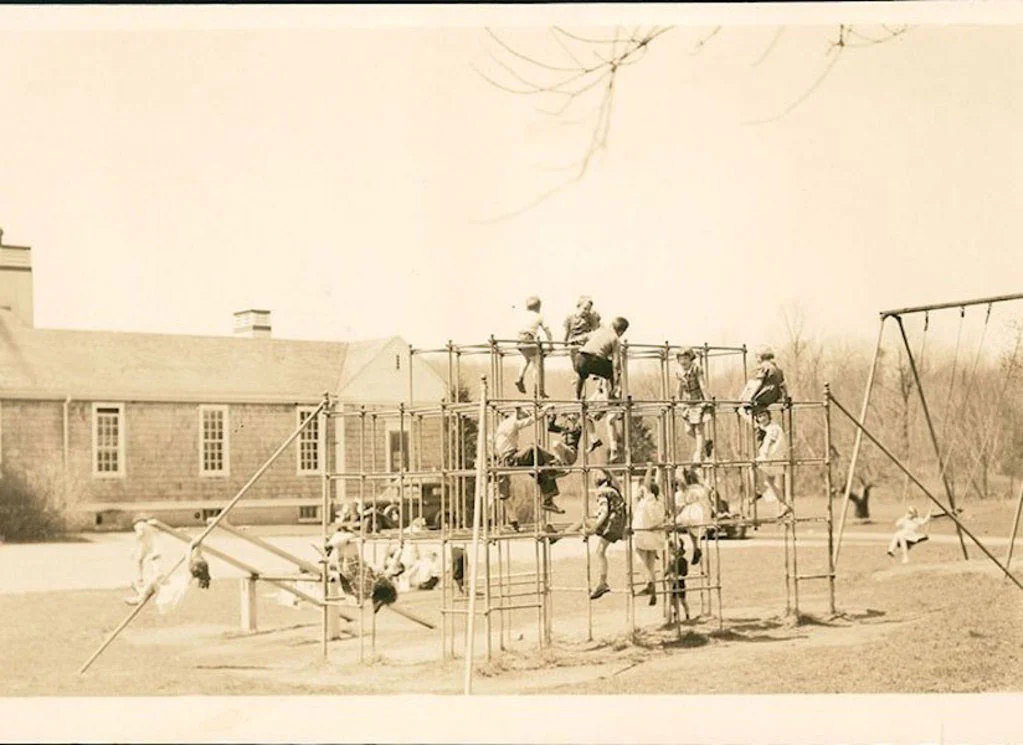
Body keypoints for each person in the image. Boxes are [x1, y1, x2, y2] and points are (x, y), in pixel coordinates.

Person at [551, 469, 628, 600]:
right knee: (600, 551)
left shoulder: (602, 492)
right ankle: (602, 582)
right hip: (618, 524)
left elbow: (604, 512)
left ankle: (558, 536)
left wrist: (594, 528)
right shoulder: (614, 489)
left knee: (584, 522)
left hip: (611, 524)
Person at [493, 406, 566, 514]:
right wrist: (544, 410)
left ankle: (548, 500)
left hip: (512, 456)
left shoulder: (507, 424)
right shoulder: (510, 424)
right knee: (532, 448)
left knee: (542, 471)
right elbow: (531, 420)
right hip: (509, 459)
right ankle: (554, 464)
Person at [574, 316, 629, 400]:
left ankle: (577, 396)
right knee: (611, 370)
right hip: (592, 360)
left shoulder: (600, 331)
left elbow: (585, 337)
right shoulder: (615, 339)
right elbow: (616, 362)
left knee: (582, 373)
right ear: (621, 332)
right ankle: (612, 396)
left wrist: (574, 340)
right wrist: (616, 378)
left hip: (579, 358)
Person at [632, 464, 665, 606]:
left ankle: (649, 582)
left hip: (643, 535)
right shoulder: (659, 500)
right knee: (651, 565)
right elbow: (657, 484)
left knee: (639, 558)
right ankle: (653, 591)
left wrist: (650, 468)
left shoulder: (647, 500)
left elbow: (647, 484)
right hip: (656, 537)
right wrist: (659, 471)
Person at [675, 347, 714, 463]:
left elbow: (702, 385)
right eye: (681, 359)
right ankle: (705, 443)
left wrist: (708, 400)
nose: (683, 361)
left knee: (698, 430)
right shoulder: (679, 372)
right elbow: (679, 388)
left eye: (686, 358)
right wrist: (678, 401)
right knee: (688, 430)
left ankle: (698, 454)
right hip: (688, 403)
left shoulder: (696, 369)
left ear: (691, 359)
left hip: (699, 402)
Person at [886, 505, 961, 564]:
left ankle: (902, 556)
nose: (910, 515)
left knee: (899, 534)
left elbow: (924, 521)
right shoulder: (905, 520)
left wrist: (929, 513)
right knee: (898, 534)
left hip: (912, 536)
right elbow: (897, 524)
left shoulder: (917, 520)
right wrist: (905, 517)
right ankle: (892, 551)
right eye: (909, 513)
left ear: (914, 514)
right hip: (904, 535)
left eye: (911, 513)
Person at [753, 409, 792, 517]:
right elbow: (756, 425)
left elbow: (770, 441)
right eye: (760, 416)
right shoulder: (767, 427)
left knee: (752, 466)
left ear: (769, 416)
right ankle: (784, 504)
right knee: (770, 482)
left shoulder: (773, 428)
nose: (763, 418)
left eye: (764, 415)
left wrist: (763, 455)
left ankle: (759, 490)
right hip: (772, 457)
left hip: (772, 457)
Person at [514, 295, 554, 397]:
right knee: (537, 362)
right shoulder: (538, 316)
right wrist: (551, 344)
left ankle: (520, 378)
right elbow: (547, 331)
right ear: (538, 307)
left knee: (526, 358)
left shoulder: (523, 315)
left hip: (519, 339)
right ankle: (538, 388)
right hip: (528, 338)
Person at [738, 345, 789, 421]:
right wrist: (786, 399)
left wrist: (751, 397)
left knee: (741, 410)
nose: (756, 359)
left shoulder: (764, 367)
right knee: (759, 410)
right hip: (774, 395)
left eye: (757, 357)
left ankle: (755, 424)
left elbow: (759, 383)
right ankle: (760, 420)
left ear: (761, 356)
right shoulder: (777, 368)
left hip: (765, 394)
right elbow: (783, 385)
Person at [563, 295, 602, 368]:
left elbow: (595, 331)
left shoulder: (589, 317)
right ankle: (580, 377)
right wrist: (565, 343)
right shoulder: (570, 318)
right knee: (575, 365)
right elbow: (567, 332)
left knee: (584, 364)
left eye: (589, 309)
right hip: (573, 343)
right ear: (578, 306)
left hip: (585, 344)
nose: (587, 311)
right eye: (585, 309)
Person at [665, 534, 692, 623]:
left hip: (680, 582)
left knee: (682, 600)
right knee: (673, 601)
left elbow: (684, 572)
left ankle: (687, 614)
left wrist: (677, 576)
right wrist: (667, 575)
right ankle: (675, 615)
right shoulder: (671, 561)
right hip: (673, 583)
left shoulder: (682, 560)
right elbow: (667, 571)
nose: (672, 551)